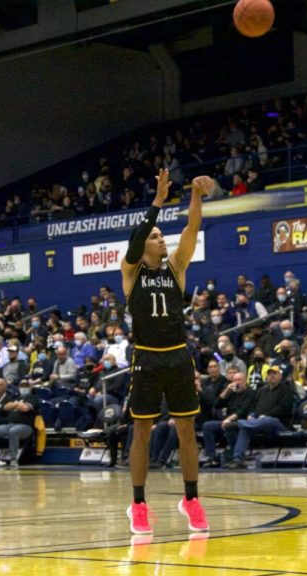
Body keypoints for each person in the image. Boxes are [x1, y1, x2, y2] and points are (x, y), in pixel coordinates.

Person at [120, 169, 211, 535]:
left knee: (187, 429)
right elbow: (137, 237)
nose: (162, 240)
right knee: (142, 430)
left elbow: (191, 229)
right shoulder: (130, 271)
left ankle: (191, 499)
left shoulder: (176, 268)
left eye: (161, 236)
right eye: (156, 237)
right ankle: (138, 504)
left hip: (177, 355)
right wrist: (157, 201)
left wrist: (195, 194)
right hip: (146, 357)